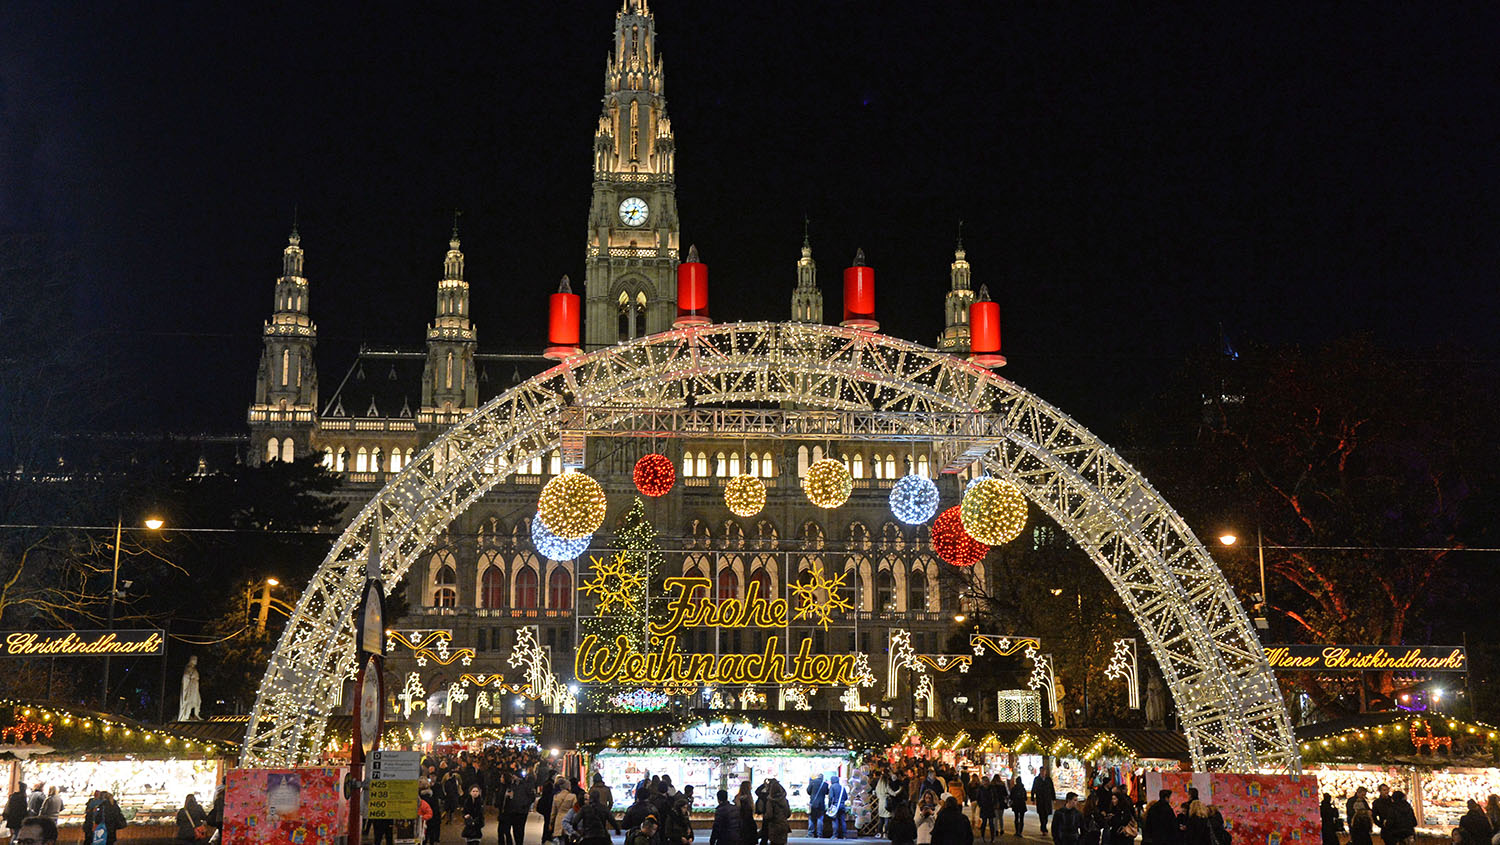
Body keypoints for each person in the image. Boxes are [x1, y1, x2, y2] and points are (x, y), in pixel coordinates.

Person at [761, 780, 791, 845]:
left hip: (774, 826)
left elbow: (769, 815)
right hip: (783, 825)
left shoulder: (770, 801)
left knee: (774, 842)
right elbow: (788, 814)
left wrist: (765, 816)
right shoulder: (785, 800)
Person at [552, 776, 579, 845]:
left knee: (561, 841)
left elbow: (553, 812)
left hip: (559, 819)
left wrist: (551, 823)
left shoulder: (556, 796)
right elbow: (575, 809)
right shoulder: (573, 796)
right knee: (569, 840)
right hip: (568, 820)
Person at [826, 775, 849, 840]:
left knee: (835, 820)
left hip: (835, 806)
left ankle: (835, 835)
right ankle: (844, 836)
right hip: (842, 806)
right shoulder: (842, 787)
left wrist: (829, 806)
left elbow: (830, 797)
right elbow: (846, 797)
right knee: (843, 820)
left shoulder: (832, 787)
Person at [1033, 769, 1056, 836]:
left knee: (1046, 814)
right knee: (1041, 814)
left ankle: (1044, 825)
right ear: (1040, 772)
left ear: (1045, 772)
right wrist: (1032, 798)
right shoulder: (1037, 779)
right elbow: (1033, 788)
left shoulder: (1048, 779)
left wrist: (1053, 798)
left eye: (1044, 771)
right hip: (1040, 800)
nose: (1043, 773)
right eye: (1042, 771)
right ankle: (1043, 828)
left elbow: (1052, 789)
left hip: (1047, 800)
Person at [976, 776, 999, 842]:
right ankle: (982, 836)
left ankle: (992, 837)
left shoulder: (992, 788)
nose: (985, 782)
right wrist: (980, 804)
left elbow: (995, 796)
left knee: (991, 823)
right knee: (984, 823)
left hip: (990, 807)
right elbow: (978, 798)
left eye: (986, 781)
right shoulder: (980, 789)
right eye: (984, 781)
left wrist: (995, 804)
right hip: (984, 807)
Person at [809, 774, 828, 838]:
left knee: (811, 818)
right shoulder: (825, 784)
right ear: (822, 778)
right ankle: (819, 834)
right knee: (820, 819)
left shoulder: (812, 782)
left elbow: (808, 791)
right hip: (821, 804)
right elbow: (827, 792)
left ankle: (810, 833)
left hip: (813, 803)